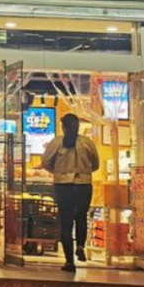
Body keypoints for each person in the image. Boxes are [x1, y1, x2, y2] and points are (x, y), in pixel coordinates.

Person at [41, 113, 100, 272]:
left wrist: (57, 171)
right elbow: (96, 164)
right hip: (84, 185)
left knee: (65, 222)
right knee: (81, 217)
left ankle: (69, 262)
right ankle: (80, 246)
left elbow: (45, 162)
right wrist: (84, 171)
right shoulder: (87, 143)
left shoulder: (57, 142)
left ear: (63, 127)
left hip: (63, 185)